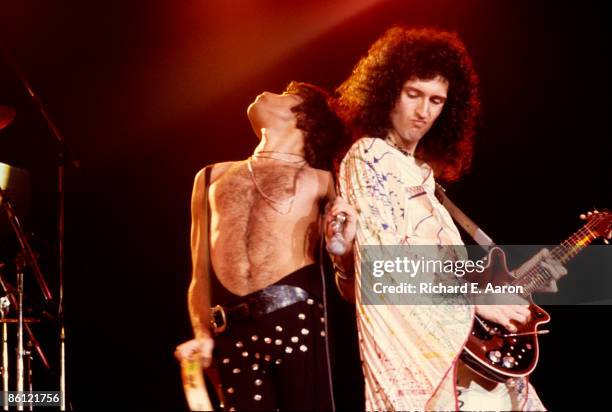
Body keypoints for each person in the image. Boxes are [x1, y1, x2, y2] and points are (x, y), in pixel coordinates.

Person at [335, 26, 567, 411]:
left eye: (437, 100)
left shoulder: (424, 177)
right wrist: (472, 301)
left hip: (465, 356)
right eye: (413, 94)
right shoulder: (369, 157)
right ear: (387, 91)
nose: (424, 111)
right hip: (428, 363)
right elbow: (384, 267)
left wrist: (514, 287)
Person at [174, 81, 357, 411]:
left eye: (285, 94)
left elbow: (350, 262)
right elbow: (199, 274)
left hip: (295, 324)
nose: (266, 93)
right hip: (231, 332)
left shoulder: (323, 179)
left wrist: (342, 247)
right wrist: (202, 335)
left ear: (303, 115)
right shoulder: (210, 176)